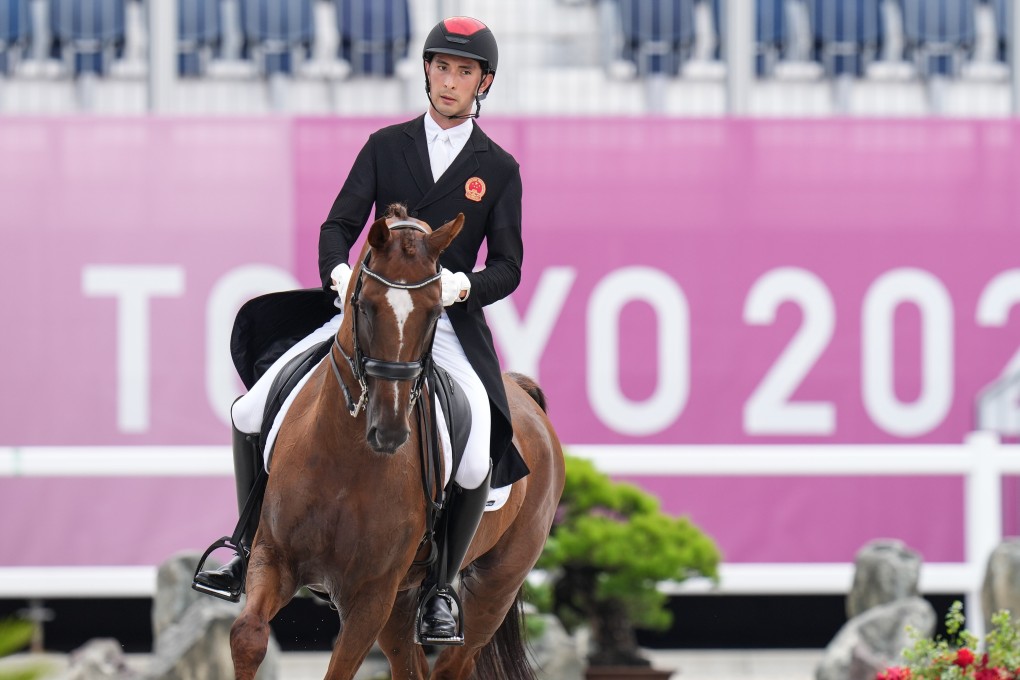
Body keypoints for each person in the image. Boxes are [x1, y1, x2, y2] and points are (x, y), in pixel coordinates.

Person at [193, 16, 530, 645]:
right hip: (367, 312)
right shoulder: (385, 144)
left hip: (442, 321)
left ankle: (438, 591)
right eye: (441, 67)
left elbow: (508, 266)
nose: (449, 81)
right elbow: (337, 224)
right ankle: (245, 543)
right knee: (249, 409)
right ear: (426, 70)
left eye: (464, 72)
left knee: (479, 443)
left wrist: (460, 287)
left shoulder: (499, 168)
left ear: (483, 83)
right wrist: (341, 272)